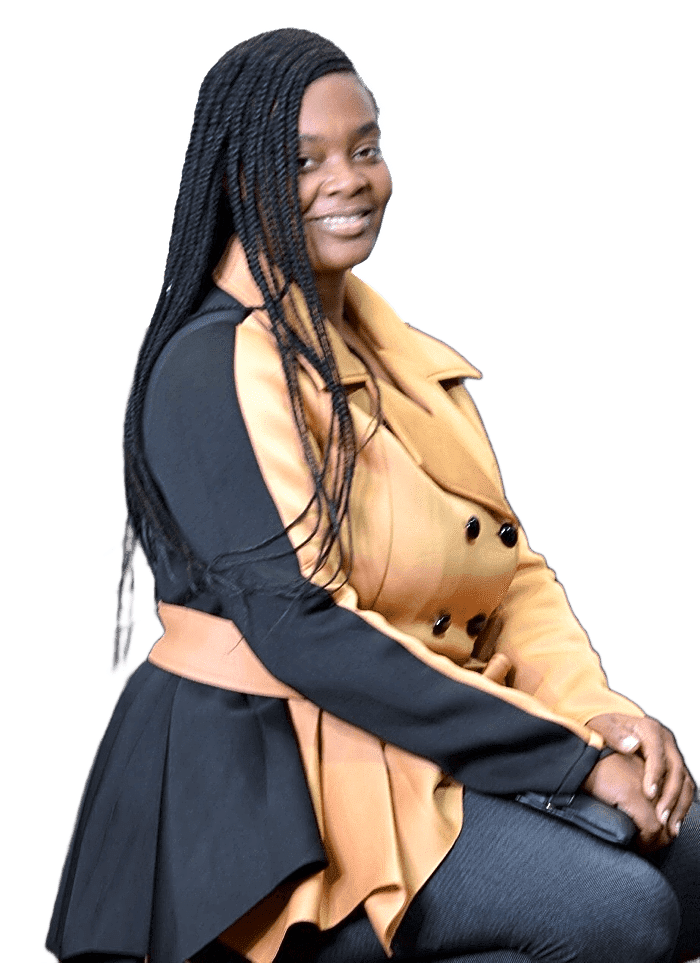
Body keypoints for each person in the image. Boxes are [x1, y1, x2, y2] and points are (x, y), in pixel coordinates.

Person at [47, 28, 699, 963]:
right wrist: (567, 759)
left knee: (691, 854)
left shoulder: (388, 351)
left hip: (412, 739)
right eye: (303, 161)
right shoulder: (214, 366)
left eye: (366, 148)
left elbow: (507, 573)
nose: (348, 180)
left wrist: (596, 713)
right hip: (268, 787)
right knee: (620, 912)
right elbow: (304, 629)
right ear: (239, 178)